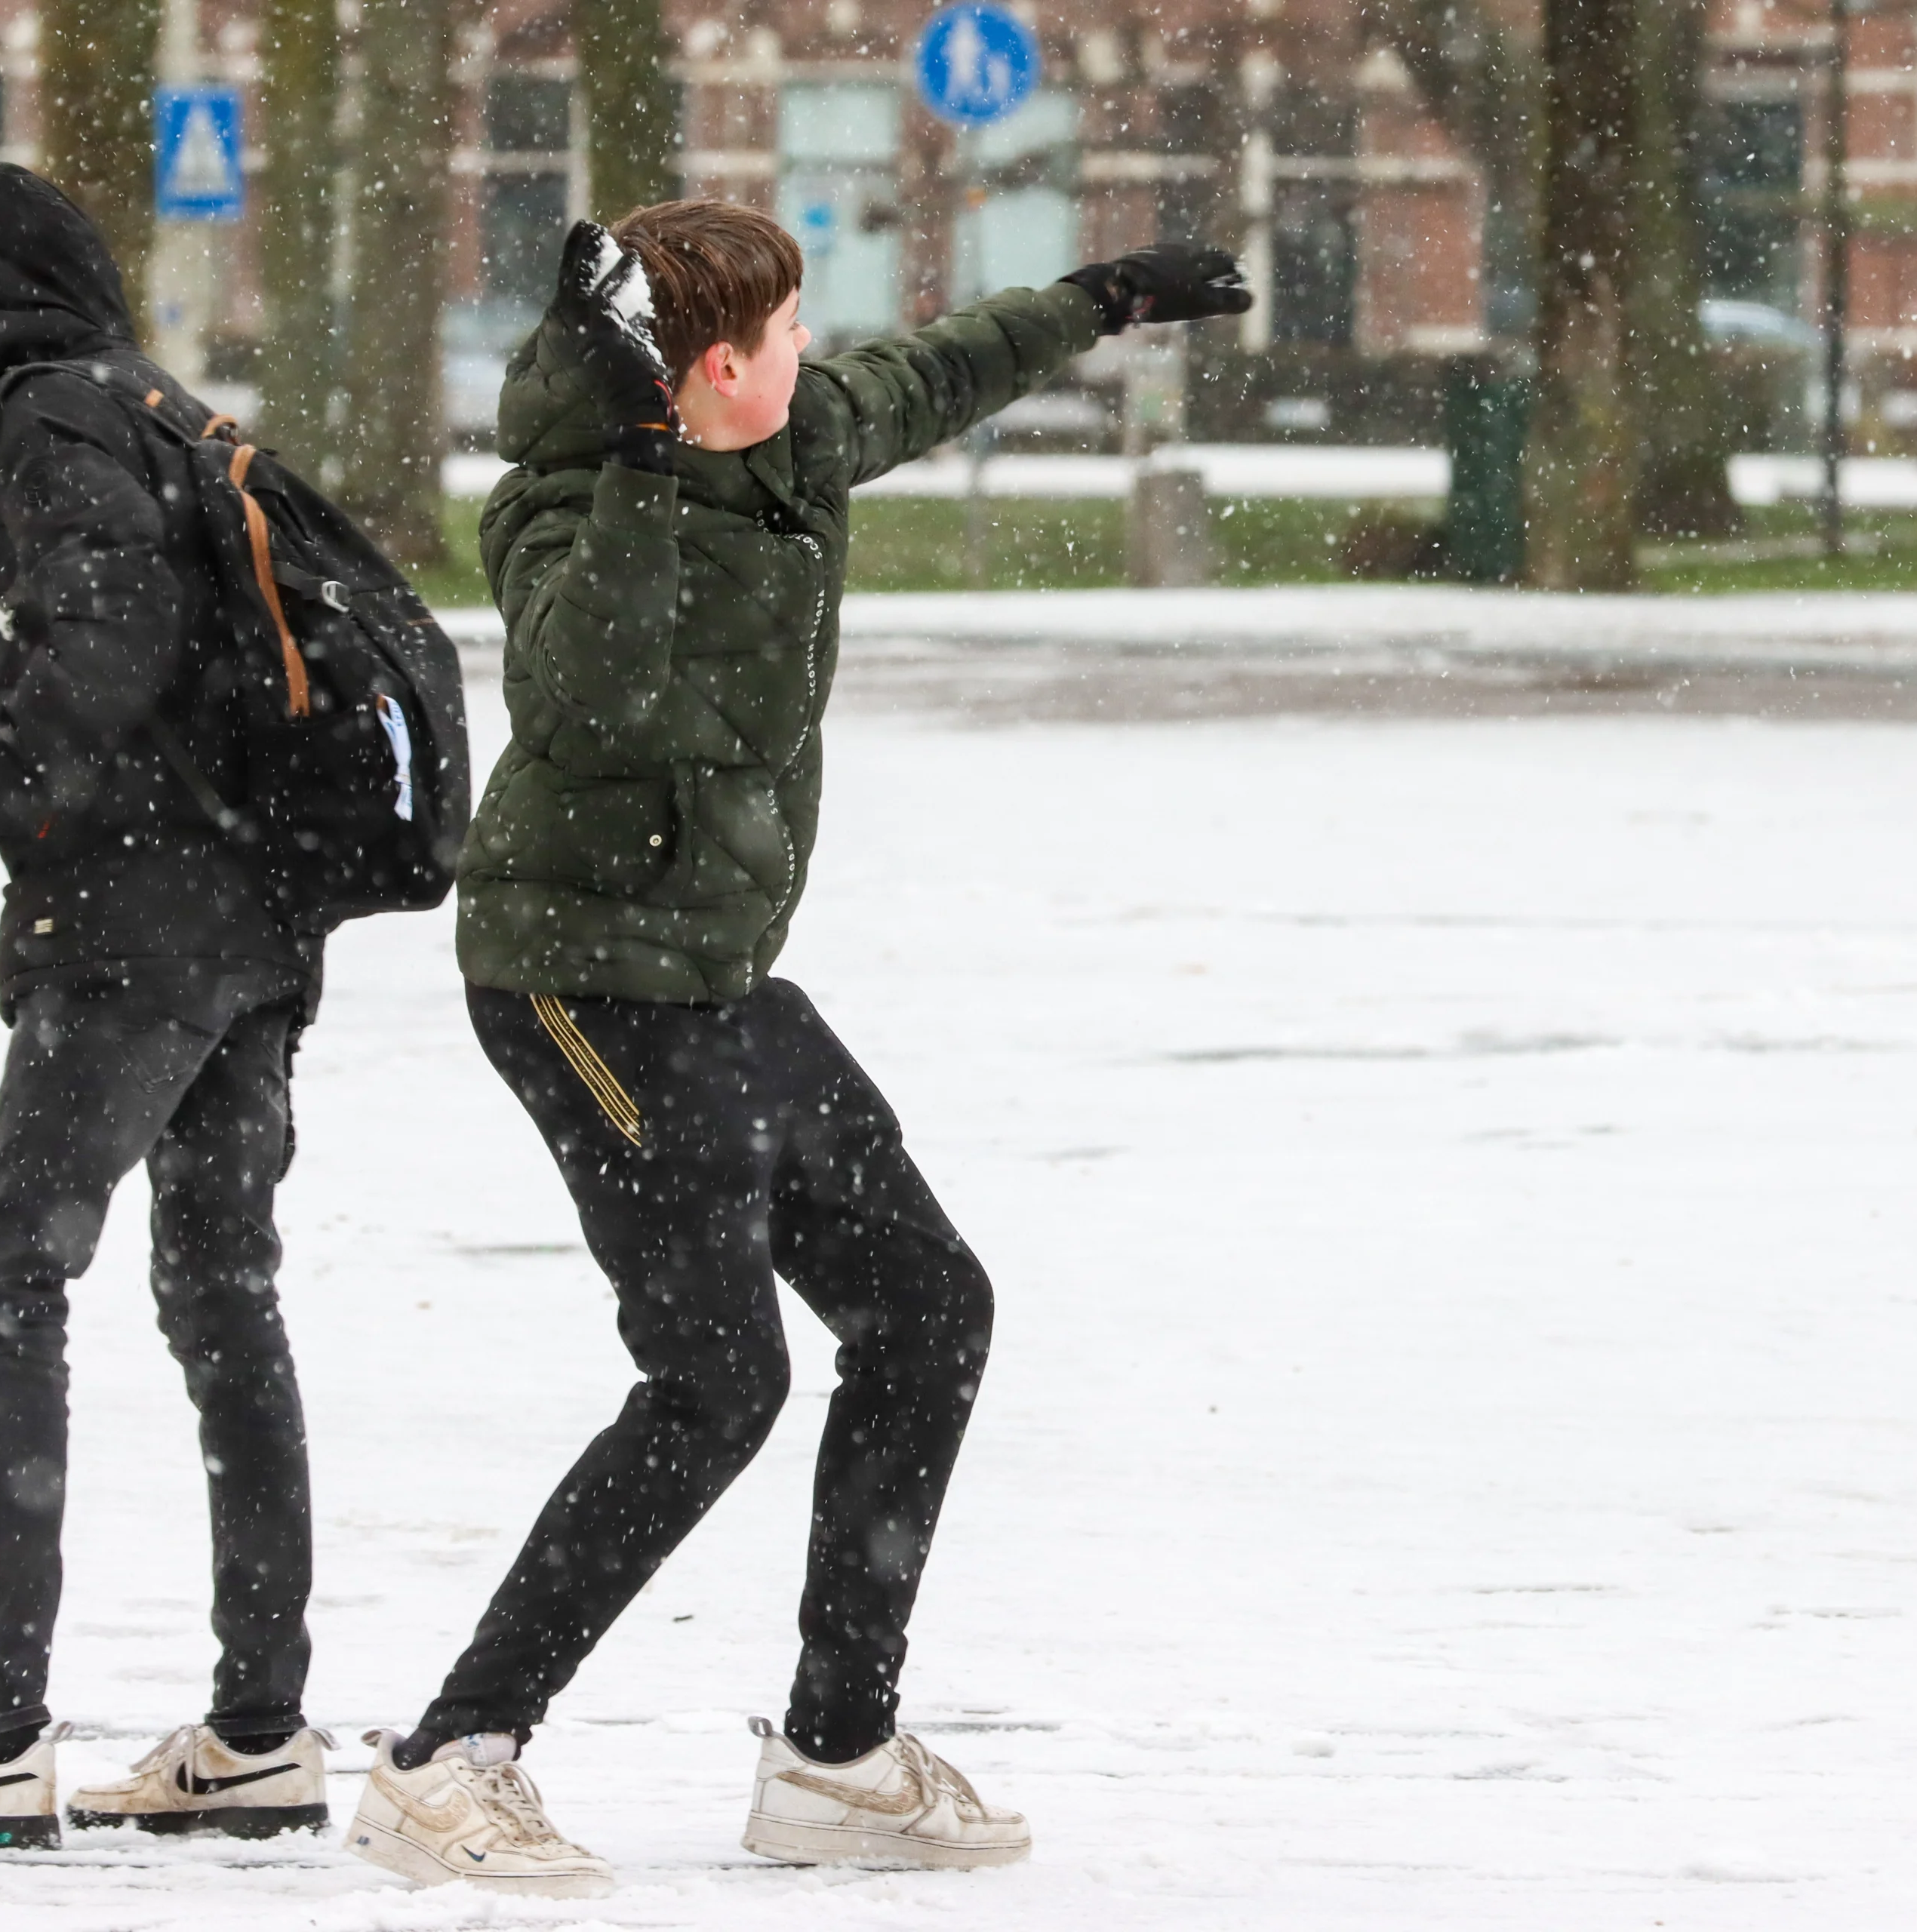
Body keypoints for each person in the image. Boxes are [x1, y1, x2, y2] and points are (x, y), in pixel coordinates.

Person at [343, 204, 1250, 1894]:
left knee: (928, 1306)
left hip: (718, 972)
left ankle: (837, 1754)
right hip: (578, 979)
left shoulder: (798, 435)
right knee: (718, 1380)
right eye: (783, 332)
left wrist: (1100, 297)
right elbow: (594, 697)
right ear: (706, 372)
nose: (814, 350)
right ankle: (447, 1760)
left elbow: (933, 373)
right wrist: (638, 470)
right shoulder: (560, 501)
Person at [0, 164, 329, 1854]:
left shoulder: (55, 418)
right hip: (253, 919)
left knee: (9, 1278)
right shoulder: (164, 410)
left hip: (137, 932)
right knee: (224, 1296)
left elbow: (104, 645)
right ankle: (258, 1732)